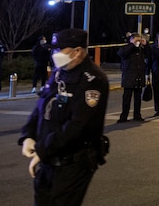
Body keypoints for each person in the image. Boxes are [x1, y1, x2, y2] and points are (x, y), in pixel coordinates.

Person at [19, 28, 109, 206]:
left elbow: (78, 126)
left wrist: (43, 150)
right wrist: (28, 135)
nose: (55, 54)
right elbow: (42, 106)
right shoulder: (60, 72)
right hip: (49, 158)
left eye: (60, 49)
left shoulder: (93, 80)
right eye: (54, 49)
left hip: (72, 163)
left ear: (77, 51)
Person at [117, 33, 151, 122]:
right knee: (126, 99)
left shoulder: (141, 49)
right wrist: (132, 45)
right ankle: (123, 116)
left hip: (139, 76)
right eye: (136, 40)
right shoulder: (126, 48)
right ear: (131, 40)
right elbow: (121, 53)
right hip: (128, 77)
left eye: (139, 40)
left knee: (137, 98)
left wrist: (146, 45)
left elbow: (150, 54)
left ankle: (137, 115)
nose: (138, 42)